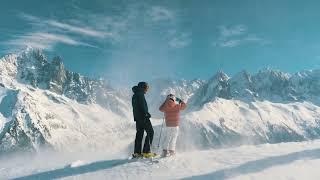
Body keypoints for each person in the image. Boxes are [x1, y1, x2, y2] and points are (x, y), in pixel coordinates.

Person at [131, 82, 155, 158]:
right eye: (147, 88)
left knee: (139, 134)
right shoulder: (140, 94)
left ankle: (137, 153)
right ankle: (146, 152)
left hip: (137, 119)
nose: (147, 90)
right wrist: (146, 113)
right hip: (143, 117)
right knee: (150, 132)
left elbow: (135, 108)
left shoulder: (135, 95)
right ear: (143, 87)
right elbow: (142, 106)